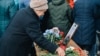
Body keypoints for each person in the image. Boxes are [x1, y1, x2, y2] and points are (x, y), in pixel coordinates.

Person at [0, 0, 65, 56]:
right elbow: (39, 39)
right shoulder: (30, 20)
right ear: (37, 9)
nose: (43, 14)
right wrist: (56, 48)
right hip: (13, 49)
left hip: (7, 44)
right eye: (42, 11)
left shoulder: (24, 11)